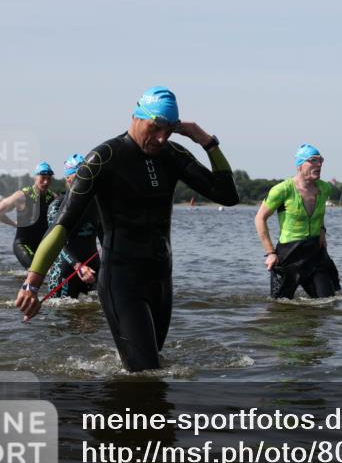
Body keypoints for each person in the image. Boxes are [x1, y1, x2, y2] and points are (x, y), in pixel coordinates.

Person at [14, 86, 239, 371]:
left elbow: (228, 196)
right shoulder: (103, 158)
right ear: (136, 116)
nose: (161, 138)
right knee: (146, 372)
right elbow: (63, 225)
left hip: (160, 281)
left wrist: (207, 142)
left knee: (149, 372)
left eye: (169, 131)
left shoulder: (172, 155)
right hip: (122, 280)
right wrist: (32, 283)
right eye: (155, 128)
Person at [255, 143, 341, 299]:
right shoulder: (282, 190)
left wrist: (322, 230)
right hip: (289, 254)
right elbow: (260, 218)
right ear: (300, 165)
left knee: (327, 302)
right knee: (279, 307)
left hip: (315, 252)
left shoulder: (324, 188)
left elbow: (320, 212)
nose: (319, 164)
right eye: (313, 160)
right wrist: (270, 253)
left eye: (321, 160)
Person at [43, 154, 101, 299]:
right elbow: (57, 243)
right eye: (78, 175)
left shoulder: (96, 203)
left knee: (94, 317)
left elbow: (104, 235)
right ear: (68, 179)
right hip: (65, 270)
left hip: (93, 267)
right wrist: (78, 266)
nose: (84, 180)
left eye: (86, 175)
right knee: (63, 316)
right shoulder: (56, 206)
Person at [0, 162, 55, 268]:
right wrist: (13, 223)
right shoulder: (21, 196)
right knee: (34, 271)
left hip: (41, 246)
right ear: (35, 177)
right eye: (43, 178)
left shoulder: (53, 198)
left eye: (49, 179)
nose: (45, 182)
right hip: (23, 245)